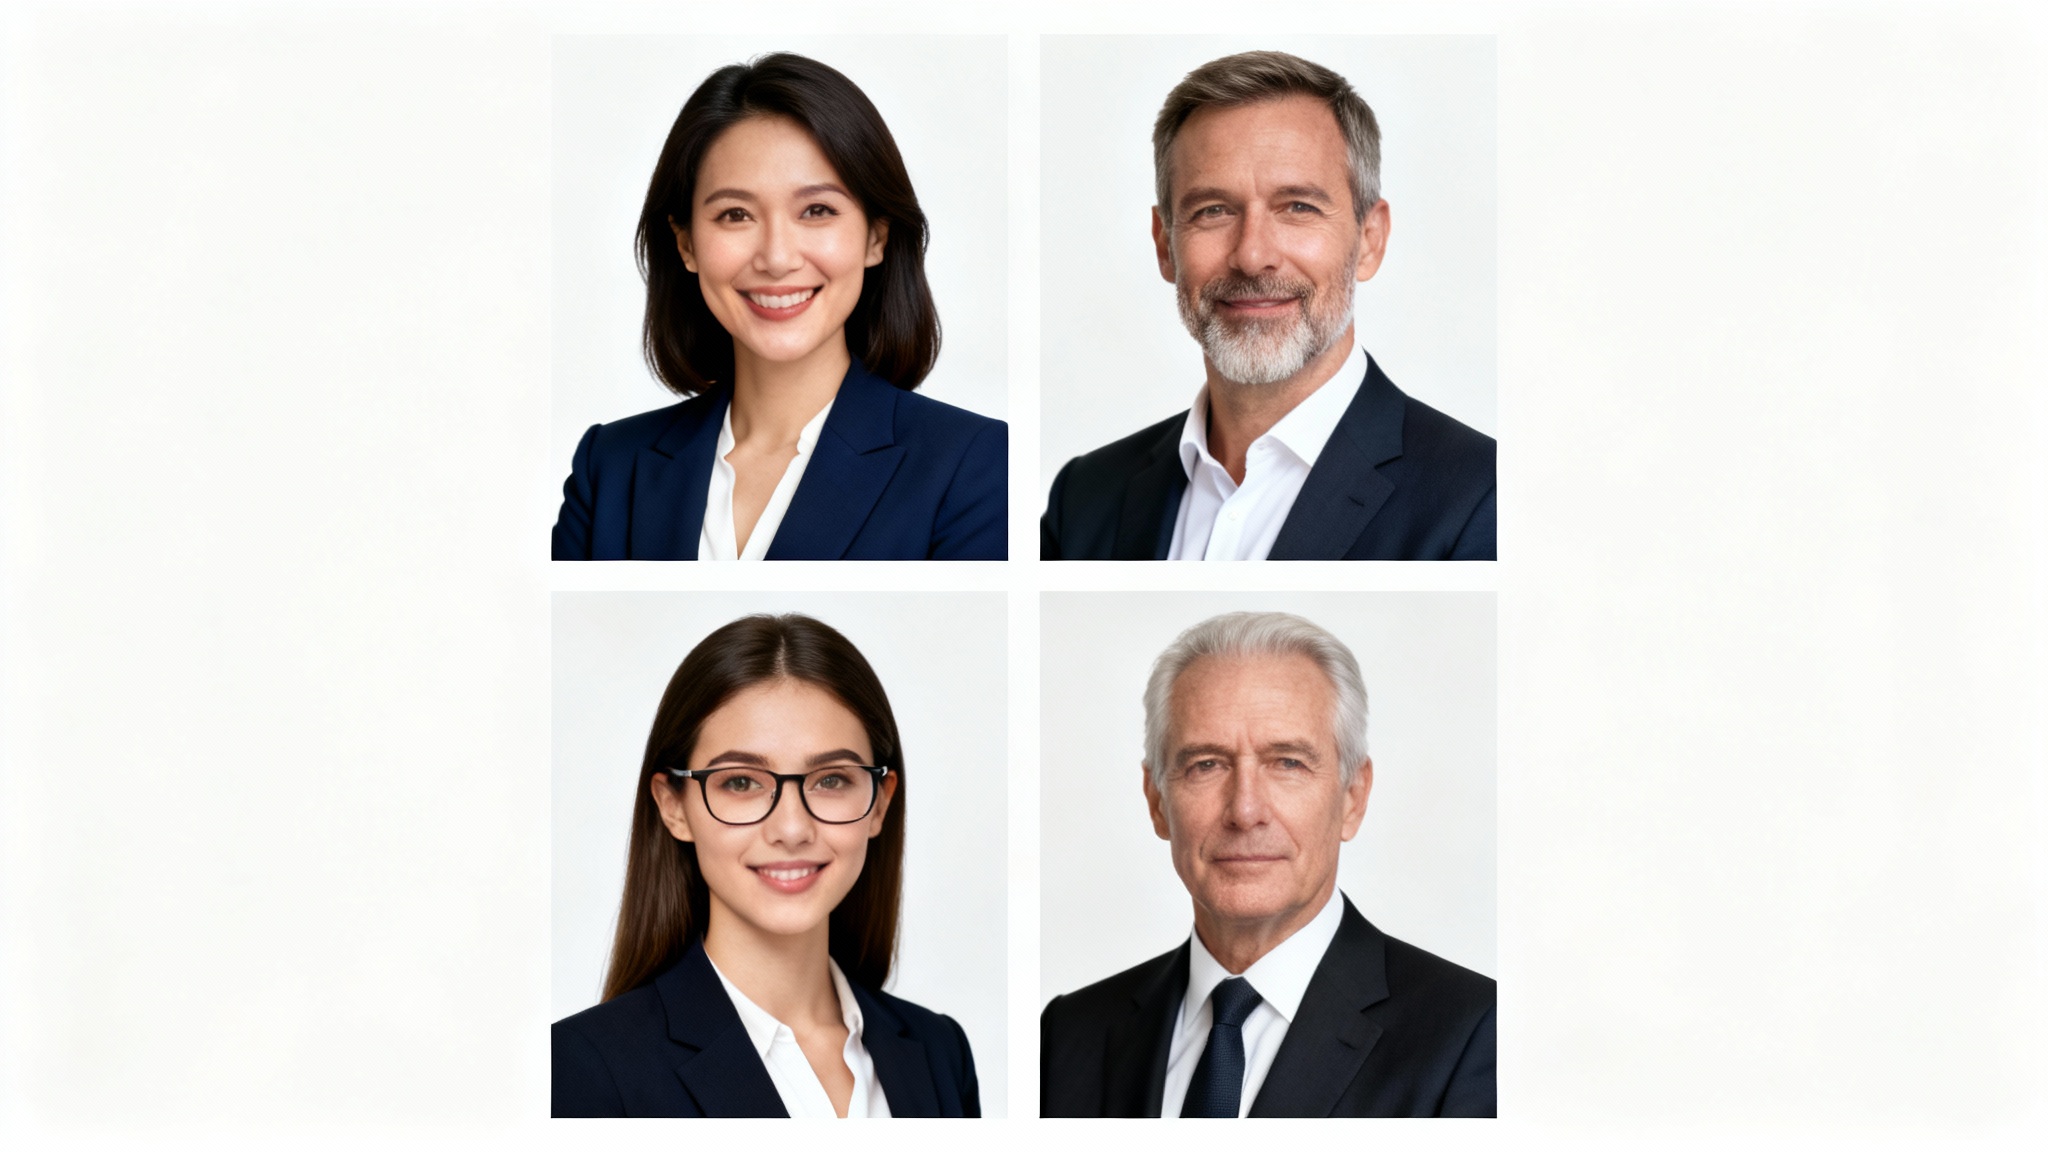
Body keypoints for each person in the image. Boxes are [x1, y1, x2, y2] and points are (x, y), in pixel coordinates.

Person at [1040, 51, 1494, 561]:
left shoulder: (1484, 499)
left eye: (1298, 207)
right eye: (1213, 211)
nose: (1253, 256)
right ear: (1165, 244)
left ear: (1369, 239)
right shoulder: (1083, 499)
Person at [552, 54, 1007, 560]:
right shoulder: (610, 468)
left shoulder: (972, 463)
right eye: (735, 214)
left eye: (817, 211)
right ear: (685, 244)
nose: (776, 258)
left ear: (876, 237)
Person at [1040, 612, 1494, 1117]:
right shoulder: (1067, 1036)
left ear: (1352, 797)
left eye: (1288, 763)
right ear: (1156, 801)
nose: (1245, 811)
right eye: (1206, 764)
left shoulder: (1475, 1035)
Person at [553, 614, 980, 1117]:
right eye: (741, 782)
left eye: (832, 779)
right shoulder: (581, 1068)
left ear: (880, 803)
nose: (792, 828)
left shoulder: (939, 1051)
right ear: (674, 806)